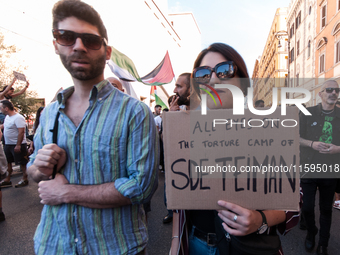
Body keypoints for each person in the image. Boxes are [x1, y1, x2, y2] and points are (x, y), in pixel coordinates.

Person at [27, 1, 158, 254]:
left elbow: (141, 187)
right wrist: (38, 166)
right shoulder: (50, 112)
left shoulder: (134, 111)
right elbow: (34, 172)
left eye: (91, 40)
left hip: (115, 248)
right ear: (56, 45)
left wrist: (66, 193)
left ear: (107, 52)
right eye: (66, 37)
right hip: (53, 245)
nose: (79, 46)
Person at [170, 43, 298, 255]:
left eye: (224, 70)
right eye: (202, 74)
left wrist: (261, 220)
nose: (213, 79)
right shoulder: (184, 128)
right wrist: (175, 242)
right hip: (196, 244)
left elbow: (294, 199)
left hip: (247, 248)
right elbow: (179, 193)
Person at [299, 80, 340, 255]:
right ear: (320, 94)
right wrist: (312, 144)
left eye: (336, 90)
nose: (333, 93)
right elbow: (295, 137)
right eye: (329, 90)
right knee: (307, 207)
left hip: (330, 170)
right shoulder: (307, 113)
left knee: (325, 209)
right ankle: (311, 232)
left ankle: (323, 243)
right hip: (308, 167)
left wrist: (338, 149)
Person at [0, 100, 29, 188]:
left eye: (1, 107)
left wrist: (18, 145)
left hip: (17, 144)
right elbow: (4, 126)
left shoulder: (18, 117)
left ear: (6, 108)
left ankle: (24, 179)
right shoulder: (7, 117)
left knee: (22, 163)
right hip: (8, 144)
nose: (0, 109)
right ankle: (7, 179)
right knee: (8, 162)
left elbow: (21, 132)